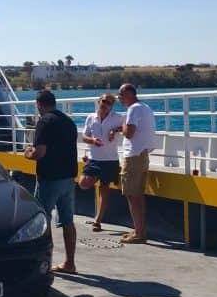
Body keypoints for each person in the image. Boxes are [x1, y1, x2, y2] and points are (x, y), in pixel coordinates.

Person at [24, 90, 78, 273]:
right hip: (68, 178)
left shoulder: (44, 121)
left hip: (50, 179)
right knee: (68, 221)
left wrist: (28, 153)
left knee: (41, 221)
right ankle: (70, 263)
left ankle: (41, 264)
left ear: (39, 104)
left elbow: (40, 153)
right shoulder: (68, 122)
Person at [112, 83, 155, 244]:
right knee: (138, 195)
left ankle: (139, 233)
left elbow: (129, 133)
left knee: (132, 195)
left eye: (121, 94)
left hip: (134, 156)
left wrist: (122, 125)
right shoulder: (145, 107)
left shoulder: (133, 109)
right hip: (143, 155)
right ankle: (139, 229)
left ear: (129, 93)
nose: (119, 98)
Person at [79, 93, 123, 232]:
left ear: (112, 106)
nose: (105, 104)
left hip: (110, 160)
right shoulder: (91, 117)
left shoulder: (118, 117)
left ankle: (97, 220)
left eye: (109, 103)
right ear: (99, 101)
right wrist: (92, 141)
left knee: (104, 189)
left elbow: (129, 127)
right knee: (83, 183)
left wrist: (114, 130)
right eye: (104, 101)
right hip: (94, 159)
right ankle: (95, 177)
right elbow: (84, 136)